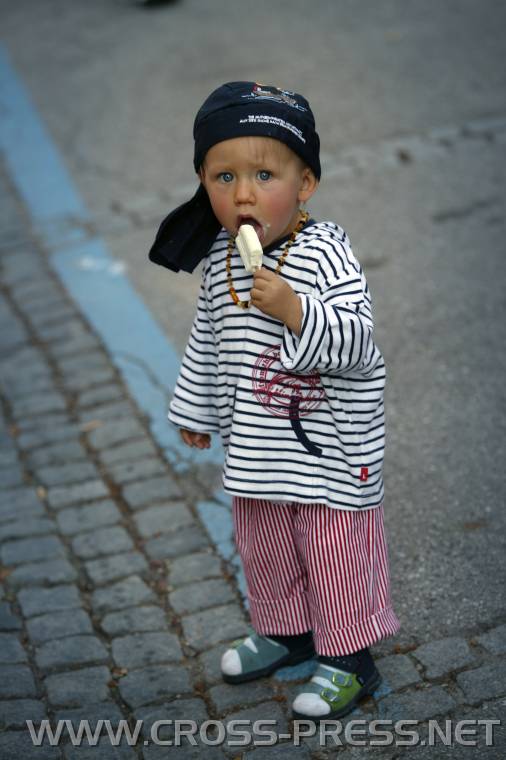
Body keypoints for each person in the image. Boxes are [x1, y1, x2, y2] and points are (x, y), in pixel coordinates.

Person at [149, 81, 400, 721]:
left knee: (335, 555)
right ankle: (287, 632)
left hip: (329, 454)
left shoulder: (325, 253)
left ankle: (351, 661)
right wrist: (196, 410)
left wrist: (294, 309)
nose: (242, 194)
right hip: (258, 450)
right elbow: (209, 339)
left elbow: (359, 341)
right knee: (265, 547)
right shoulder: (220, 260)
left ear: (306, 183)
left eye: (265, 174)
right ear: (202, 181)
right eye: (223, 175)